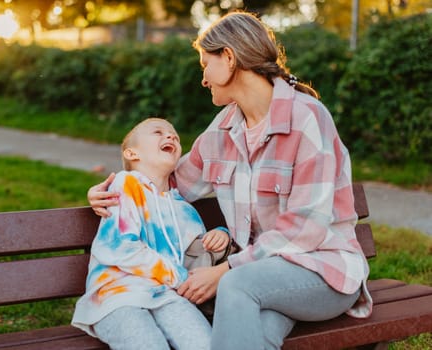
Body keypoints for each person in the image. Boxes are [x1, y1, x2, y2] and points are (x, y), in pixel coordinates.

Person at [88, 11, 373, 350]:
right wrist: (118, 188)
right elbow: (170, 182)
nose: (204, 79)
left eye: (205, 65)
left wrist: (225, 271)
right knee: (255, 336)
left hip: (322, 272)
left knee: (235, 287)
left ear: (229, 58)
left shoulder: (307, 118)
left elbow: (305, 228)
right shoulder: (223, 130)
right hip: (260, 279)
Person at [71, 117, 231, 350]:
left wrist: (221, 235)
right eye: (158, 132)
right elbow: (121, 247)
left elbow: (195, 254)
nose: (171, 136)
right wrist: (179, 277)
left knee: (204, 345)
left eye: (174, 134)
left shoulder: (183, 208)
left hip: (167, 295)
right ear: (132, 154)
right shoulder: (126, 184)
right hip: (118, 295)